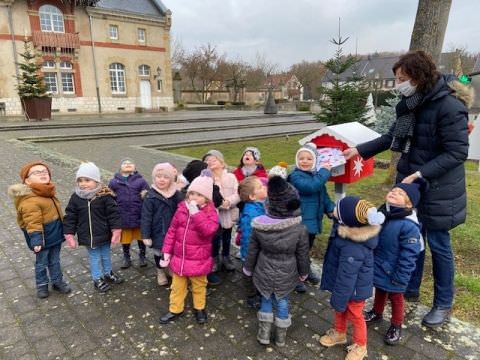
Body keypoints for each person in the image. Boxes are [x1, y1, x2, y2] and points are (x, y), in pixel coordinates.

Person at [343, 50, 471, 328]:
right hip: (411, 186)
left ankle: (443, 303)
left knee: (438, 245)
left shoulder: (449, 107)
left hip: (438, 188)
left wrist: (420, 173)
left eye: (403, 78)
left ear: (419, 77)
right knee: (411, 236)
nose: (399, 83)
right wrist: (358, 150)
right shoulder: (411, 104)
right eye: (397, 78)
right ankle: (409, 289)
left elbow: (457, 152)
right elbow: (393, 137)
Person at [243, 176, 310, 347]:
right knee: (282, 302)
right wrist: (303, 273)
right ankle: (280, 337)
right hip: (287, 274)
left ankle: (264, 334)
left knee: (266, 300)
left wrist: (248, 269)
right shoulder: (300, 229)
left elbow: (253, 250)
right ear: (293, 204)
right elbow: (303, 255)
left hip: (263, 270)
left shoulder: (259, 226)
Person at [319, 196, 384, 360]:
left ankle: (361, 345)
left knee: (355, 314)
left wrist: (339, 297)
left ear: (347, 219)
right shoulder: (347, 231)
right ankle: (340, 333)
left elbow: (348, 275)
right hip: (344, 284)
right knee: (340, 309)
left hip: (353, 288)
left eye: (337, 209)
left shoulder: (353, 246)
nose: (333, 210)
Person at [364, 181, 424, 345]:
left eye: (400, 193)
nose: (394, 192)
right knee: (380, 289)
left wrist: (402, 276)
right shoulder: (383, 213)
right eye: (393, 190)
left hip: (396, 271)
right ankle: (377, 312)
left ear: (409, 203)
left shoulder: (409, 226)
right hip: (381, 264)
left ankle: (396, 325)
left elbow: (410, 255)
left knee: (396, 297)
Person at [159, 173, 219, 325]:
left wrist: (196, 214)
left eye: (199, 195)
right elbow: (172, 231)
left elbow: (209, 231)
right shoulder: (181, 209)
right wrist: (166, 252)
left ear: (207, 198)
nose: (194, 197)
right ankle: (175, 309)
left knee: (199, 286)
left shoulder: (210, 213)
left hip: (198, 260)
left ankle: (199, 308)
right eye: (192, 193)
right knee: (177, 287)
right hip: (179, 258)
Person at [8, 161, 72, 299]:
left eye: (45, 171)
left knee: (55, 260)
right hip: (41, 239)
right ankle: (42, 285)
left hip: (54, 235)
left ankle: (57, 281)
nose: (43, 173)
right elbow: (32, 222)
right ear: (27, 181)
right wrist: (36, 240)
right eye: (37, 172)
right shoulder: (30, 200)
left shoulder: (47, 192)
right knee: (42, 263)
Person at [63, 162, 124, 293]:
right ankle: (97, 278)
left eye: (87, 180)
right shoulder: (76, 198)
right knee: (95, 258)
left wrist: (116, 230)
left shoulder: (105, 196)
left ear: (96, 181)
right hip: (88, 236)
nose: (83, 184)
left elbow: (113, 215)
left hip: (104, 233)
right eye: (80, 180)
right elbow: (70, 216)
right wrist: (69, 234)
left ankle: (108, 273)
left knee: (106, 255)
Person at [288, 143, 335, 292]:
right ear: (297, 160)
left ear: (315, 161)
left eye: (309, 158)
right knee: (297, 251)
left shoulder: (316, 177)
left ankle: (305, 271)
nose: (305, 161)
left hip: (313, 222)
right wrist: (324, 172)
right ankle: (294, 278)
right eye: (301, 158)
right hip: (300, 222)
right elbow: (310, 188)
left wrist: (331, 209)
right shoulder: (295, 176)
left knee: (306, 249)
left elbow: (324, 196)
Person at [182, 159, 224, 286]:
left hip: (211, 228)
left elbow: (218, 201)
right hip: (192, 232)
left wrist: (213, 187)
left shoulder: (212, 188)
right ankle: (197, 274)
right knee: (198, 253)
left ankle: (209, 270)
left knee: (211, 250)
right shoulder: (186, 193)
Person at [141, 163, 183, 286]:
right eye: (159, 176)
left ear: (171, 179)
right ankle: (160, 271)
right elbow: (146, 217)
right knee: (159, 253)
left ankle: (170, 268)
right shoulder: (150, 196)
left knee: (172, 252)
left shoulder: (176, 194)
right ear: (154, 178)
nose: (162, 179)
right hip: (158, 231)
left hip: (173, 231)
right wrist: (145, 235)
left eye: (165, 177)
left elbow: (182, 210)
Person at [108, 158, 149, 269]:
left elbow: (147, 195)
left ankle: (142, 255)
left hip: (138, 214)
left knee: (141, 237)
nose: (127, 164)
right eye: (124, 163)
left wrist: (145, 194)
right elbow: (110, 196)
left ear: (135, 168)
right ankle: (126, 257)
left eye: (130, 163)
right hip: (123, 215)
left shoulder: (141, 180)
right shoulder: (114, 182)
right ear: (120, 168)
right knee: (125, 239)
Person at [204, 150, 240, 272]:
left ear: (222, 162)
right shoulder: (206, 179)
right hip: (213, 215)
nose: (210, 161)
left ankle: (226, 256)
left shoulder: (231, 177)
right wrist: (219, 204)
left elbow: (237, 193)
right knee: (214, 238)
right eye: (207, 160)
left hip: (228, 213)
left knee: (227, 236)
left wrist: (228, 202)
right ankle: (214, 258)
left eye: (214, 159)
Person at [237, 176, 267, 308]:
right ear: (253, 196)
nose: (264, 187)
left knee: (258, 272)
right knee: (249, 273)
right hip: (252, 252)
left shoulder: (260, 206)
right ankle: (251, 295)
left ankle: (259, 291)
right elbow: (249, 236)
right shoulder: (251, 214)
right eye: (260, 187)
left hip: (260, 249)